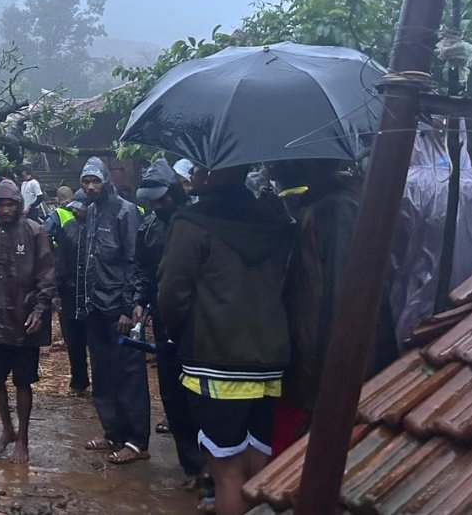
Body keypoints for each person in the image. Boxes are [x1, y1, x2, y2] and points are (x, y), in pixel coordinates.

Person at [157, 165, 293, 515]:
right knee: (258, 461)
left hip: (214, 358)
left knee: (226, 472)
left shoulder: (191, 224)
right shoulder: (275, 217)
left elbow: (172, 294)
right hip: (269, 358)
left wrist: (179, 335)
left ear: (215, 174)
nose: (193, 171)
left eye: (201, 165)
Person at [269, 159, 396, 453]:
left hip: (320, 375)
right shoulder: (316, 206)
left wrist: (332, 383)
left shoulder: (337, 209)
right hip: (306, 370)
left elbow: (345, 302)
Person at [0, 179, 56, 464]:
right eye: (0, 205)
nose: (5, 209)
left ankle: (24, 439)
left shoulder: (35, 232)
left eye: (10, 204)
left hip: (24, 318)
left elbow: (46, 274)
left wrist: (40, 310)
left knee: (23, 381)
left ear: (20, 205)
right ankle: (7, 429)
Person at [77, 156, 151, 465]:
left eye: (96, 181)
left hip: (118, 311)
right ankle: (114, 433)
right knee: (103, 373)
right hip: (94, 307)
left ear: (106, 181)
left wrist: (127, 307)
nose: (91, 186)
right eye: (86, 182)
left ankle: (137, 442)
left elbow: (134, 262)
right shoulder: (91, 212)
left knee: (129, 375)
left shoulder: (125, 212)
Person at [134, 160, 203, 487]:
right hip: (164, 324)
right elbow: (143, 272)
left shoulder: (198, 220)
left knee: (201, 397)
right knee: (173, 397)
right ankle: (190, 466)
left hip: (200, 323)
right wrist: (136, 301)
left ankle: (211, 466)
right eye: (151, 201)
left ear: (175, 193)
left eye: (162, 199)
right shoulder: (148, 228)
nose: (157, 206)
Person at [46, 189, 90, 396]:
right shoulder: (68, 228)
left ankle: (103, 382)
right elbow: (60, 262)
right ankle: (79, 380)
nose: (77, 211)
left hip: (94, 294)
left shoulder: (100, 228)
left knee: (97, 343)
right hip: (70, 293)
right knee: (74, 341)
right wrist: (55, 291)